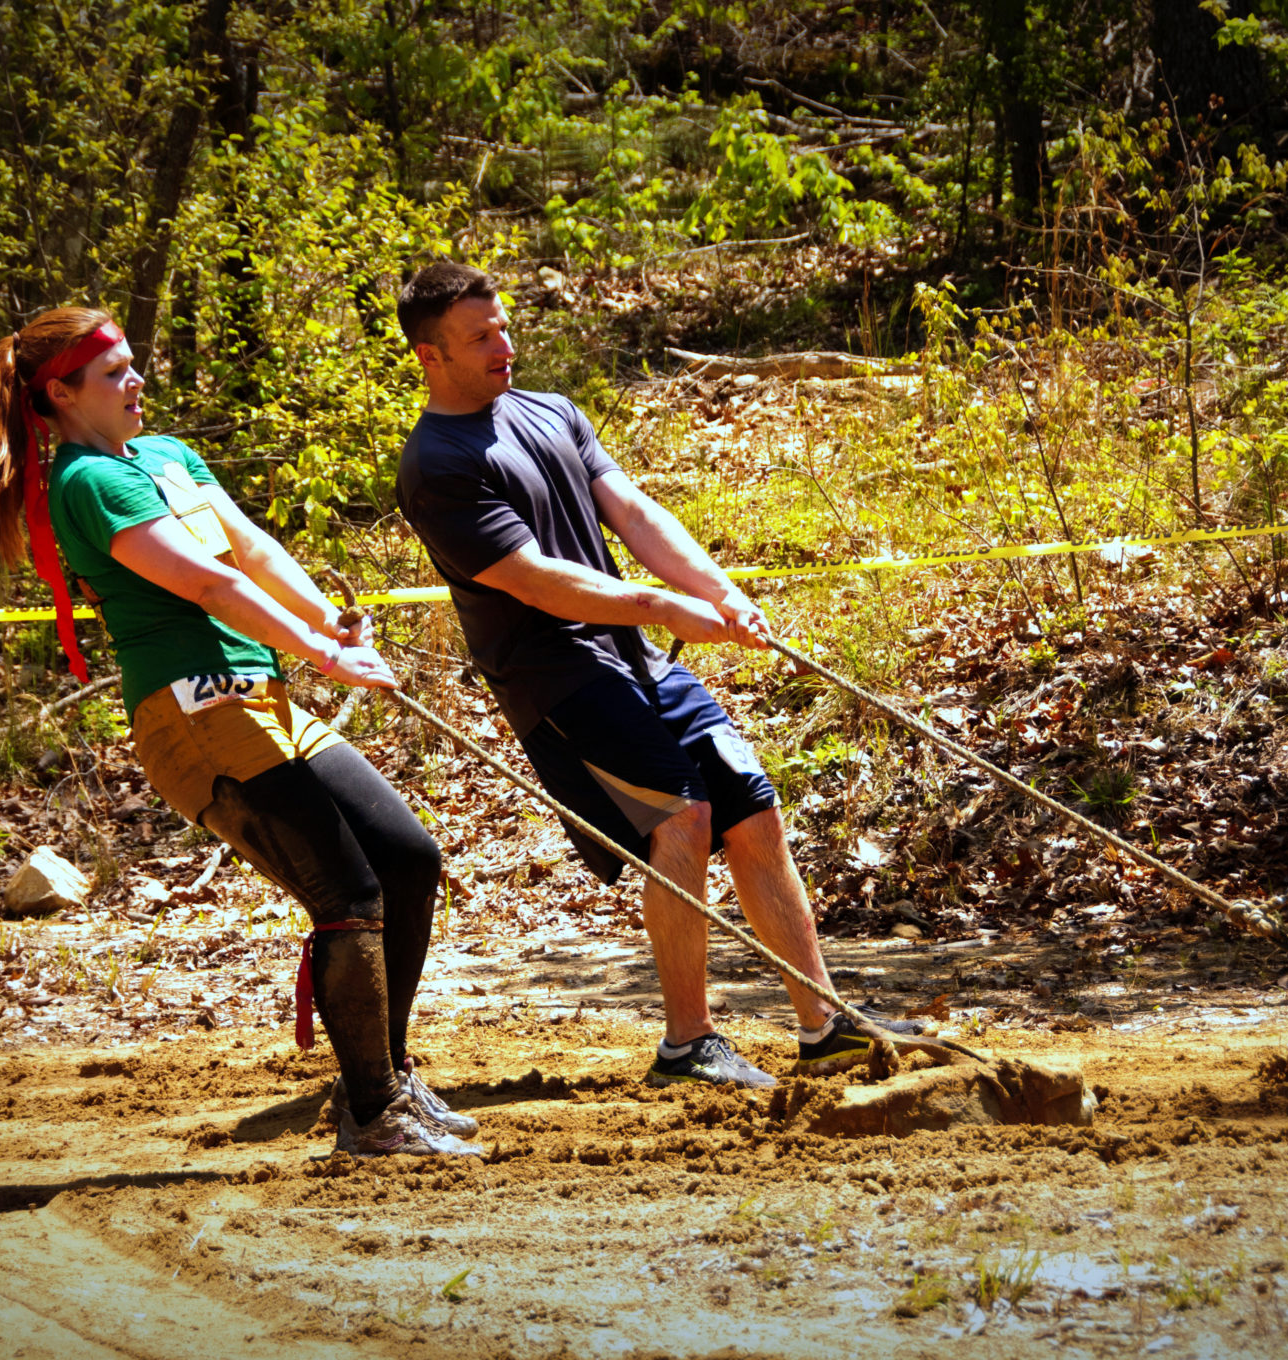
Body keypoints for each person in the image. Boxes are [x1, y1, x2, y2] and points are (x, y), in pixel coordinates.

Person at [0, 305, 478, 1157]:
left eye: (134, 365)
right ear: (61, 393)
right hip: (192, 717)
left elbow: (251, 550)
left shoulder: (165, 455)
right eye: (116, 372)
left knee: (409, 860)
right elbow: (204, 582)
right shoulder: (87, 481)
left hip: (262, 703)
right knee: (349, 898)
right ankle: (374, 1112)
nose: (138, 382)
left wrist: (329, 623)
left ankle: (385, 1078)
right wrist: (316, 650)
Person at [393, 262, 922, 1088]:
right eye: (480, 337)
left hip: (635, 659)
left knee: (751, 809)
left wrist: (718, 591)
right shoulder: (436, 464)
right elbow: (532, 578)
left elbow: (634, 512)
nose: (504, 345)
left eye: (503, 326)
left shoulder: (551, 412)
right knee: (683, 820)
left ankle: (826, 1026)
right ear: (431, 356)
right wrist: (664, 608)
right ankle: (688, 1044)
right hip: (559, 676)